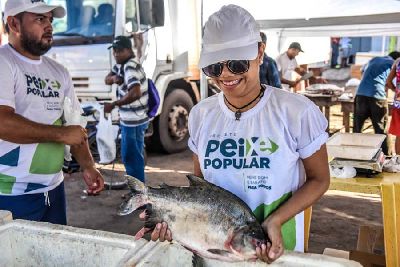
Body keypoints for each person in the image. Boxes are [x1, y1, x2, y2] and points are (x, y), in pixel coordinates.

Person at [140, 5, 330, 263]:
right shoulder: (200, 115)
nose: (226, 75)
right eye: (215, 68)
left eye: (237, 64)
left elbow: (319, 179)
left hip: (275, 253)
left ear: (260, 52)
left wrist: (275, 221)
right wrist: (176, 223)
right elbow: (202, 189)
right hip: (215, 253)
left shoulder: (297, 112)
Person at [0, 0, 104, 224]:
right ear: (14, 23)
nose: (49, 26)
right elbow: (2, 122)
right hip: (9, 194)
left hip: (53, 191)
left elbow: (75, 126)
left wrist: (88, 166)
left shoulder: (59, 72)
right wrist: (60, 134)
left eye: (50, 19)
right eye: (39, 19)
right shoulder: (4, 62)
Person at [103, 35, 148, 182]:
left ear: (128, 50)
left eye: (119, 51)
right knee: (133, 156)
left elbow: (135, 92)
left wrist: (114, 104)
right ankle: (137, 191)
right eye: (114, 51)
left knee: (131, 156)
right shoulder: (122, 64)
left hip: (133, 120)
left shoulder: (129, 66)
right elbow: (107, 79)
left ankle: (138, 194)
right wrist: (115, 79)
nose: (116, 54)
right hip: (134, 119)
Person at [354, 51, 400, 155]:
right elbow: (390, 82)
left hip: (360, 94)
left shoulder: (374, 59)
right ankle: (387, 156)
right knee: (381, 130)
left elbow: (362, 71)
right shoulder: (393, 63)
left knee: (357, 129)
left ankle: (355, 155)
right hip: (377, 96)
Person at [386, 56, 400, 155]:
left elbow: (388, 82)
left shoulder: (398, 61)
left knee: (399, 134)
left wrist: (397, 91)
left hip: (398, 103)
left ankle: (399, 161)